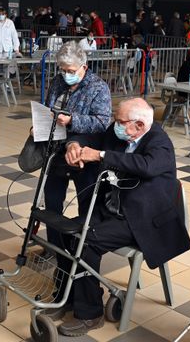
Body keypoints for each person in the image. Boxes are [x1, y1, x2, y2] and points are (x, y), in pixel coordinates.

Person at [52, 98, 190, 337]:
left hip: (143, 220)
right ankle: (69, 296)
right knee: (66, 233)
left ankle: (90, 314)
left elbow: (147, 165)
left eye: (119, 121)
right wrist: (73, 145)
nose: (114, 124)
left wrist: (101, 156)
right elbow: (94, 140)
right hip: (114, 209)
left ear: (138, 125)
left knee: (87, 242)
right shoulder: (121, 132)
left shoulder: (160, 142)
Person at [42, 41, 111, 256]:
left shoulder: (98, 87)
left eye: (70, 71)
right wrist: (41, 123)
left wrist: (72, 120)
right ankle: (54, 246)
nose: (66, 75)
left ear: (84, 66)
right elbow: (48, 108)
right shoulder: (57, 82)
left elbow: (102, 122)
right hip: (57, 148)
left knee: (86, 200)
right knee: (52, 199)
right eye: (62, 70)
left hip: (84, 152)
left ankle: (83, 248)